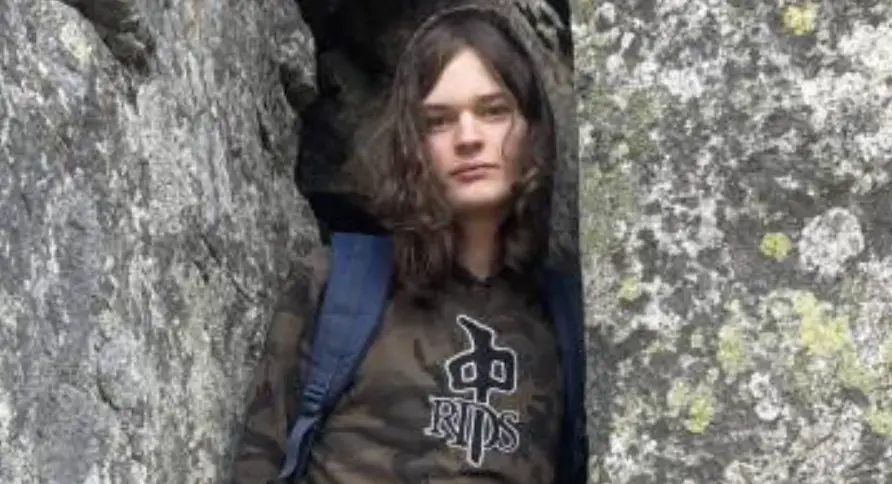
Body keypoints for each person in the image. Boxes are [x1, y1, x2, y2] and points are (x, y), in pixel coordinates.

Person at [231, 5, 586, 483]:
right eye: (438, 120)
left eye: (493, 111)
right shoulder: (338, 287)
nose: (468, 138)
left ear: (531, 133)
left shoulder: (567, 325)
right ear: (411, 144)